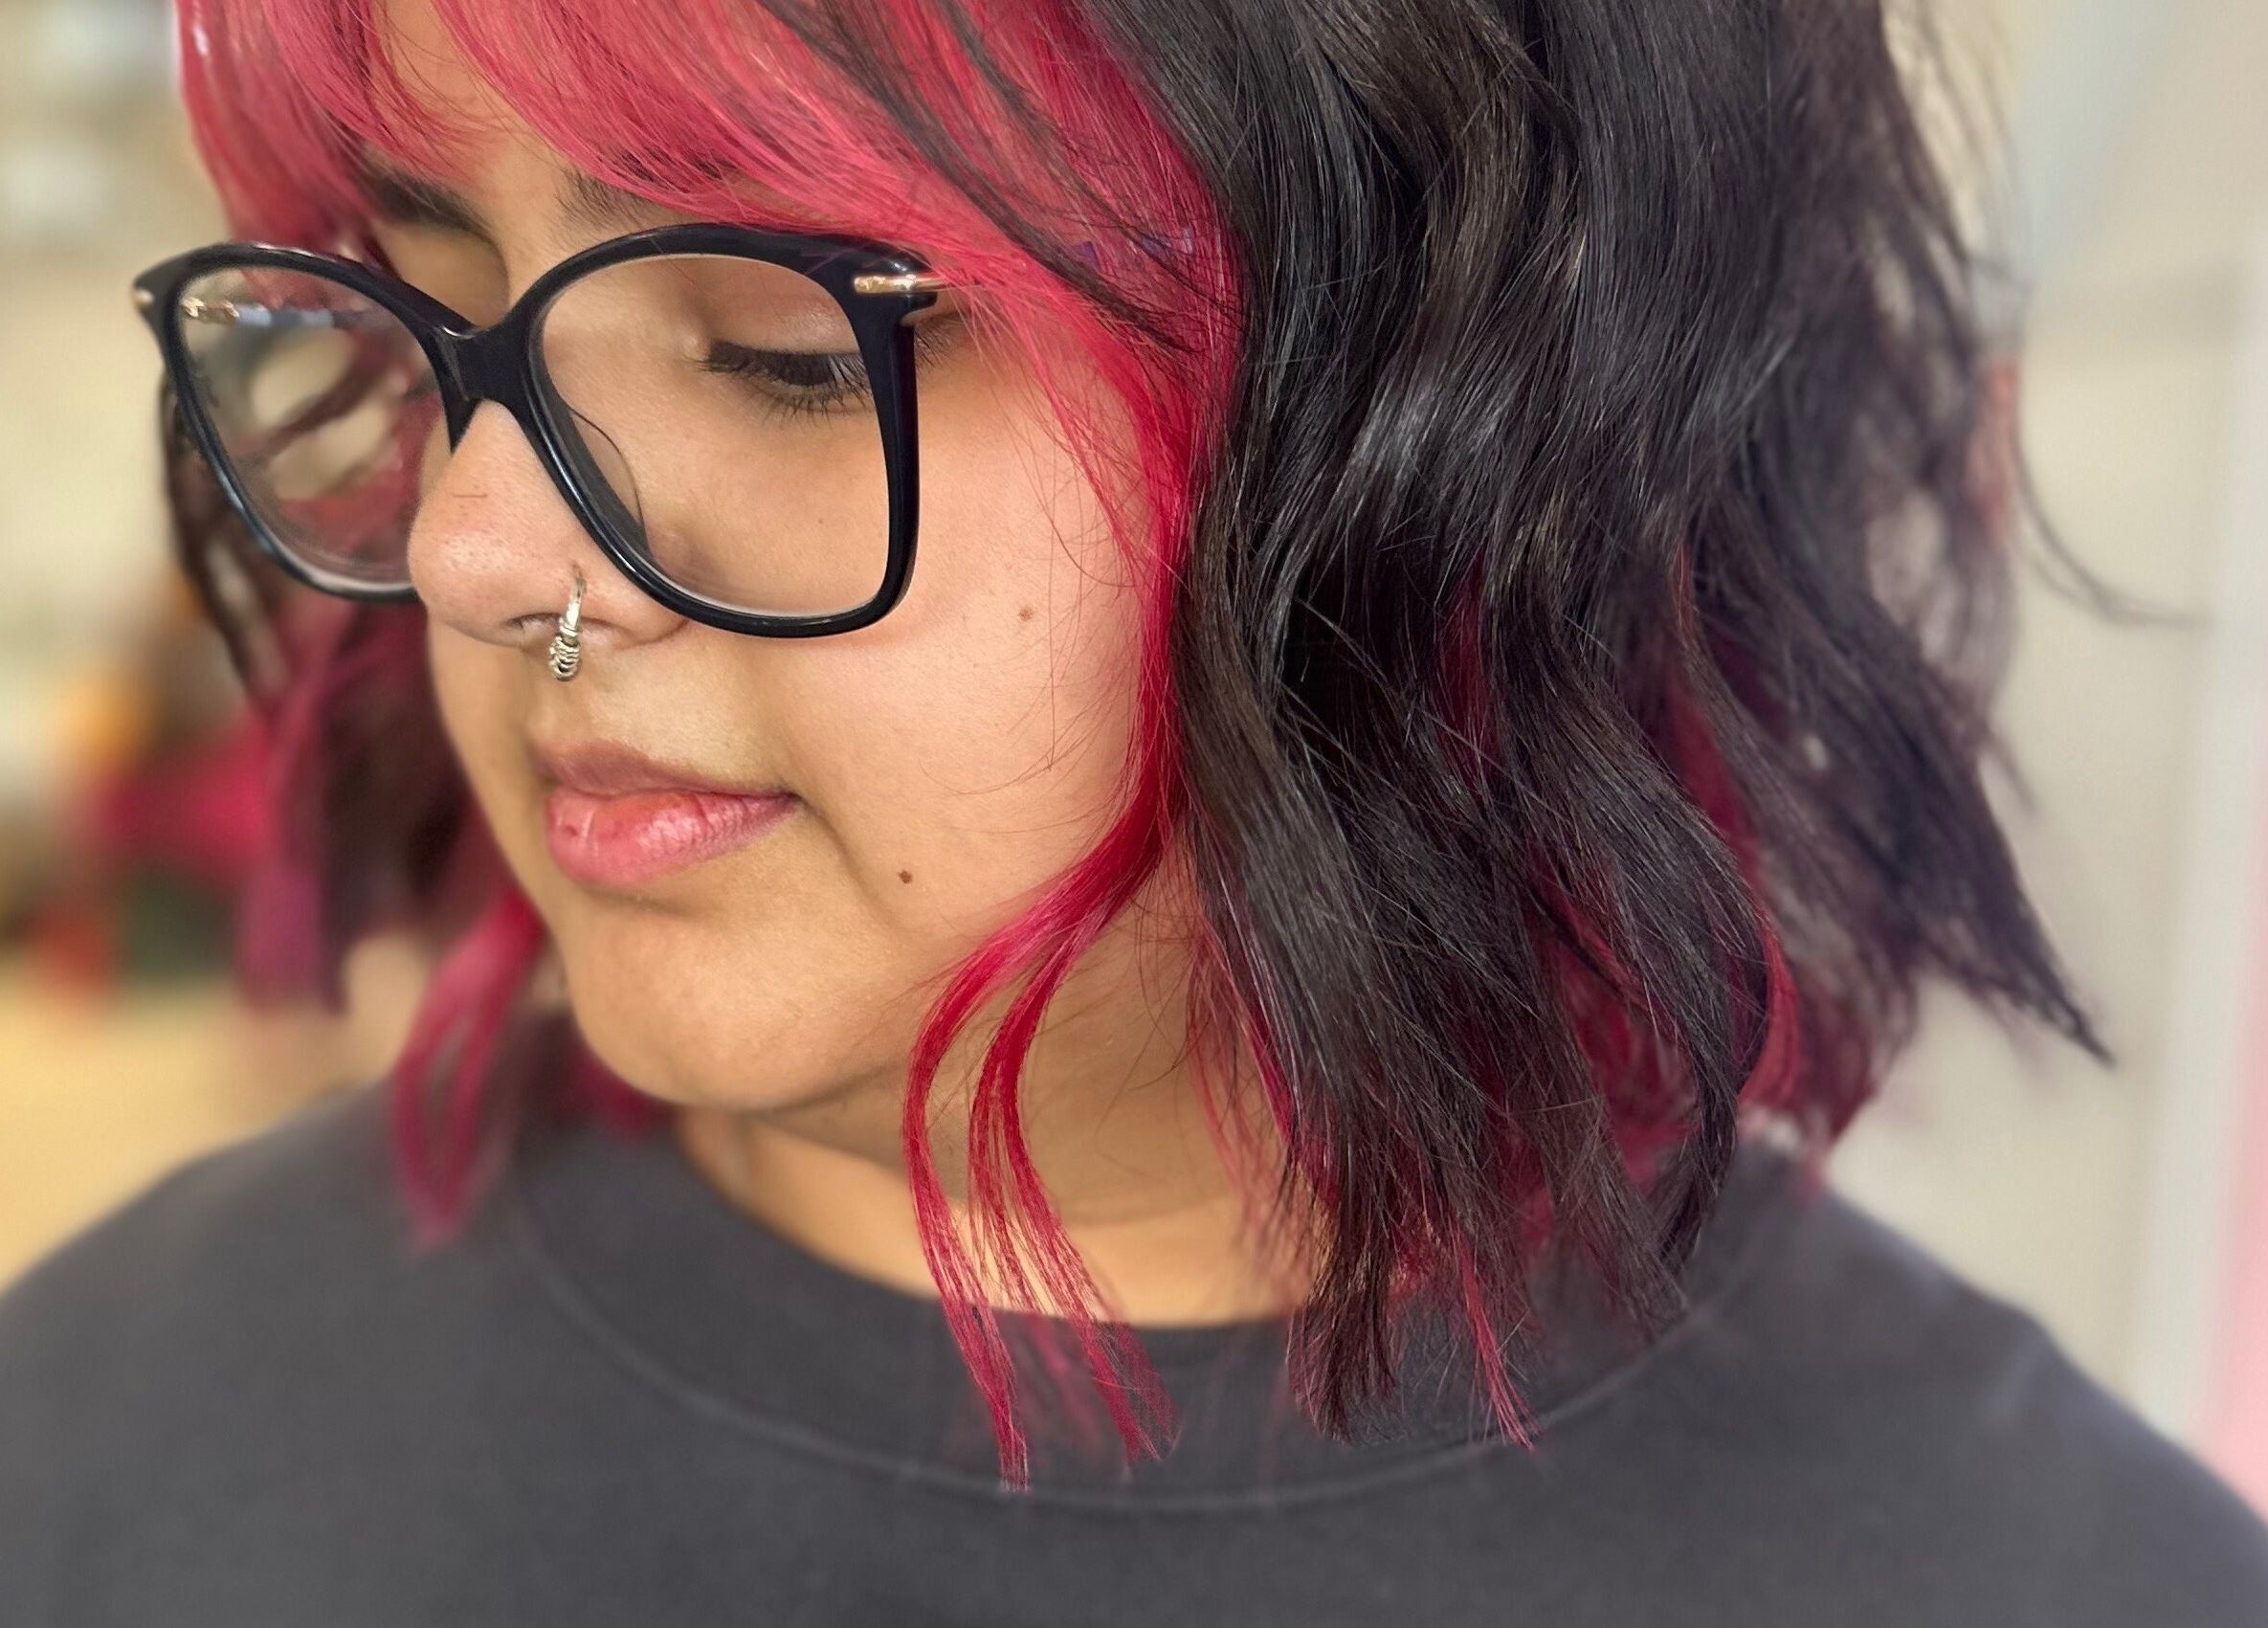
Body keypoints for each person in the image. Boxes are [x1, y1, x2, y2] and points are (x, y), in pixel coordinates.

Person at [3, 0, 2265, 1619]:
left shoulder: (2046, 1573)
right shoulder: (101, 1424)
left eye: (781, 343)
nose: (483, 552)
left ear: (1484, 418)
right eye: (431, 306)